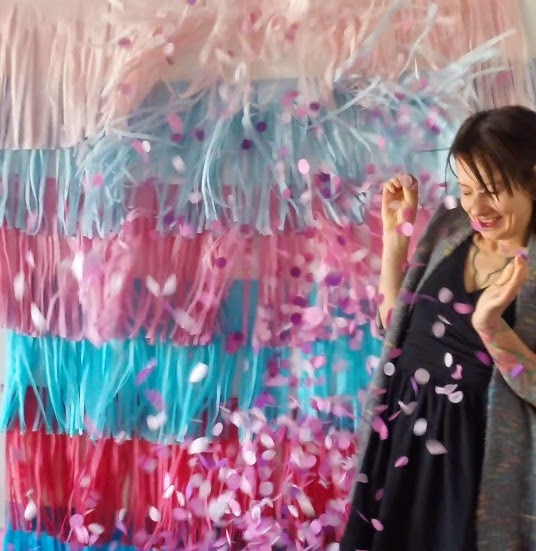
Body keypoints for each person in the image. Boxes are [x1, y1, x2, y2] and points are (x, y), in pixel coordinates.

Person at [340, 105, 536, 551]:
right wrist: (396, 244)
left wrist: (490, 327)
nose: (476, 207)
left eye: (491, 191)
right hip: (400, 442)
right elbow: (397, 332)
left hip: (473, 467)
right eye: (466, 189)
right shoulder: (450, 227)